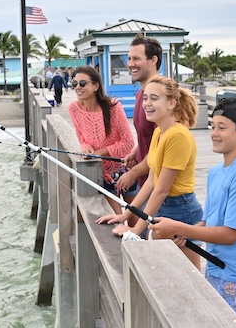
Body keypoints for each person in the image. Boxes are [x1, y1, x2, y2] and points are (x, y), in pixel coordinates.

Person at [149, 97, 236, 328]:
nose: (214, 133)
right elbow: (208, 223)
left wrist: (178, 227)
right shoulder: (216, 172)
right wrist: (186, 237)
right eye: (213, 126)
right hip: (215, 271)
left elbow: (231, 234)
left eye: (222, 128)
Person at [97, 76, 204, 269]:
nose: (147, 104)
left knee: (191, 276)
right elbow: (150, 181)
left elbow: (162, 189)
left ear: (172, 103)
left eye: (154, 98)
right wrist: (125, 215)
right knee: (168, 272)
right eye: (145, 98)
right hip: (163, 207)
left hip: (182, 209)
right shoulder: (159, 132)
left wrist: (137, 230)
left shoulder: (177, 135)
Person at [67, 66, 137, 214]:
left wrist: (100, 152)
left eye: (82, 83)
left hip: (125, 169)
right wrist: (86, 148)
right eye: (75, 84)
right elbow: (82, 138)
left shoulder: (113, 107)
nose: (78, 87)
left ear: (96, 86)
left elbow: (128, 143)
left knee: (135, 221)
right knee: (117, 222)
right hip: (101, 173)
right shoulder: (74, 108)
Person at [113, 35, 162, 210]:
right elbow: (150, 136)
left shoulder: (162, 96)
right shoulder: (142, 94)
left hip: (161, 191)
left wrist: (133, 173)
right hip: (146, 182)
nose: (130, 64)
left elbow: (162, 149)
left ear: (153, 60)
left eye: (136, 59)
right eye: (129, 58)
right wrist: (136, 151)